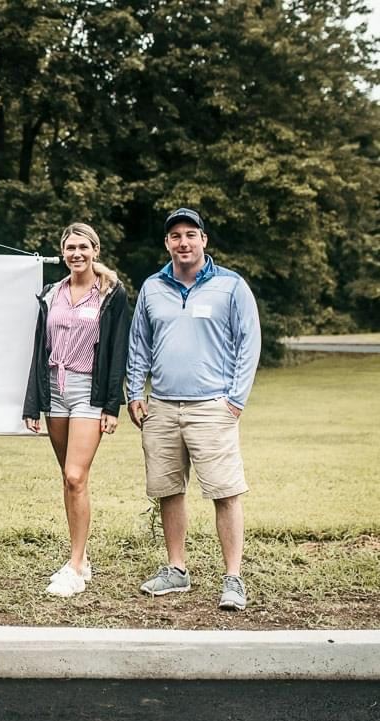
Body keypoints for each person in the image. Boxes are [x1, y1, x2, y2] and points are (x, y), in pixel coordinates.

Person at [126, 208, 260, 610]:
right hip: (163, 407)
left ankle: (233, 578)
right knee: (168, 490)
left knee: (226, 491)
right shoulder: (152, 288)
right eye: (175, 236)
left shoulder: (231, 286)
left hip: (212, 407)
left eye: (190, 234)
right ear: (167, 244)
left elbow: (247, 344)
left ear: (204, 240)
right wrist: (135, 391)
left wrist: (234, 400)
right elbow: (139, 345)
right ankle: (176, 570)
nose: (183, 242)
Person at [23, 222, 130, 597]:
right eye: (70, 248)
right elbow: (40, 350)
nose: (76, 254)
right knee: (71, 481)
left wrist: (112, 404)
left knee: (74, 476)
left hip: (89, 391)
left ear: (95, 250)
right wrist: (33, 402)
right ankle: (79, 560)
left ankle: (75, 565)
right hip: (55, 391)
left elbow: (119, 350)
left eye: (83, 247)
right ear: (63, 252)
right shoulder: (51, 294)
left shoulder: (111, 295)